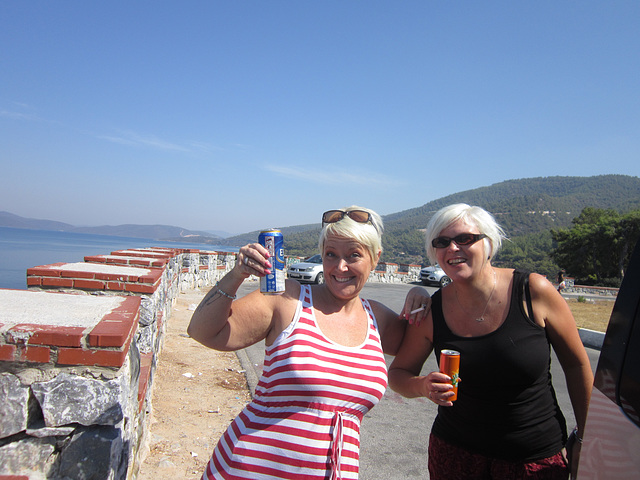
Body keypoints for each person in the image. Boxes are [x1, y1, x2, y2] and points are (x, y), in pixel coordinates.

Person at [188, 206, 431, 480]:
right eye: (331, 255)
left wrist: (421, 294)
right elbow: (202, 331)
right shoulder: (287, 299)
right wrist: (236, 275)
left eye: (353, 255)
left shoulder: (379, 320)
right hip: (249, 469)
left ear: (375, 259)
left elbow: (424, 346)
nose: (340, 267)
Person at [388, 204, 593, 480]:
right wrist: (422, 386)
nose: (452, 248)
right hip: (454, 457)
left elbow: (577, 365)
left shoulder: (532, 291)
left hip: (534, 460)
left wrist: (586, 439)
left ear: (489, 243)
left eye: (465, 239)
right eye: (442, 242)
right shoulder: (432, 310)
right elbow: (399, 374)